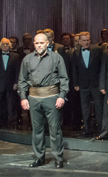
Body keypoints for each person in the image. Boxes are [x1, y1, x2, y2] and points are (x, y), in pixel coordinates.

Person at [18, 32, 69, 168]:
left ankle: (58, 157)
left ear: (48, 43)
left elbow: (64, 78)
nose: (39, 45)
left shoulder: (56, 58)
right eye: (37, 43)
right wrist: (23, 98)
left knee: (54, 129)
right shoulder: (27, 59)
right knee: (37, 130)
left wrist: (61, 96)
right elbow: (22, 80)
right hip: (34, 97)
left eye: (42, 43)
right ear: (34, 44)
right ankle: (39, 157)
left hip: (51, 97)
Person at [71, 31, 108, 138]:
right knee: (85, 108)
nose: (86, 42)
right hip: (83, 84)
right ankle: (87, 129)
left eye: (88, 40)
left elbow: (102, 67)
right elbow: (74, 69)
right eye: (84, 40)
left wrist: (102, 84)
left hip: (96, 84)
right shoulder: (76, 52)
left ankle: (101, 129)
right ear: (79, 41)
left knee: (99, 107)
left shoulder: (97, 50)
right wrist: (75, 83)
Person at [0, 38, 21, 129]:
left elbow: (18, 71)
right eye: (3, 44)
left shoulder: (16, 56)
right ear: (0, 45)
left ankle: (12, 122)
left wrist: (16, 83)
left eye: (7, 44)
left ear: (10, 45)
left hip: (11, 84)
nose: (5, 45)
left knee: (12, 104)